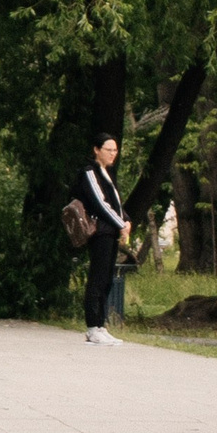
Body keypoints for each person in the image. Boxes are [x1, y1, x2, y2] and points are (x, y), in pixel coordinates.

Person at [80, 136, 130, 345]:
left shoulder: (108, 174)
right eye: (108, 149)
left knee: (107, 278)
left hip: (111, 231)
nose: (112, 154)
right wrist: (121, 223)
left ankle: (101, 324)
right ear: (96, 149)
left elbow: (115, 203)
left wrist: (126, 220)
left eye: (115, 150)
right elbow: (100, 204)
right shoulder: (89, 172)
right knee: (97, 278)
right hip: (100, 231)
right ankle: (92, 327)